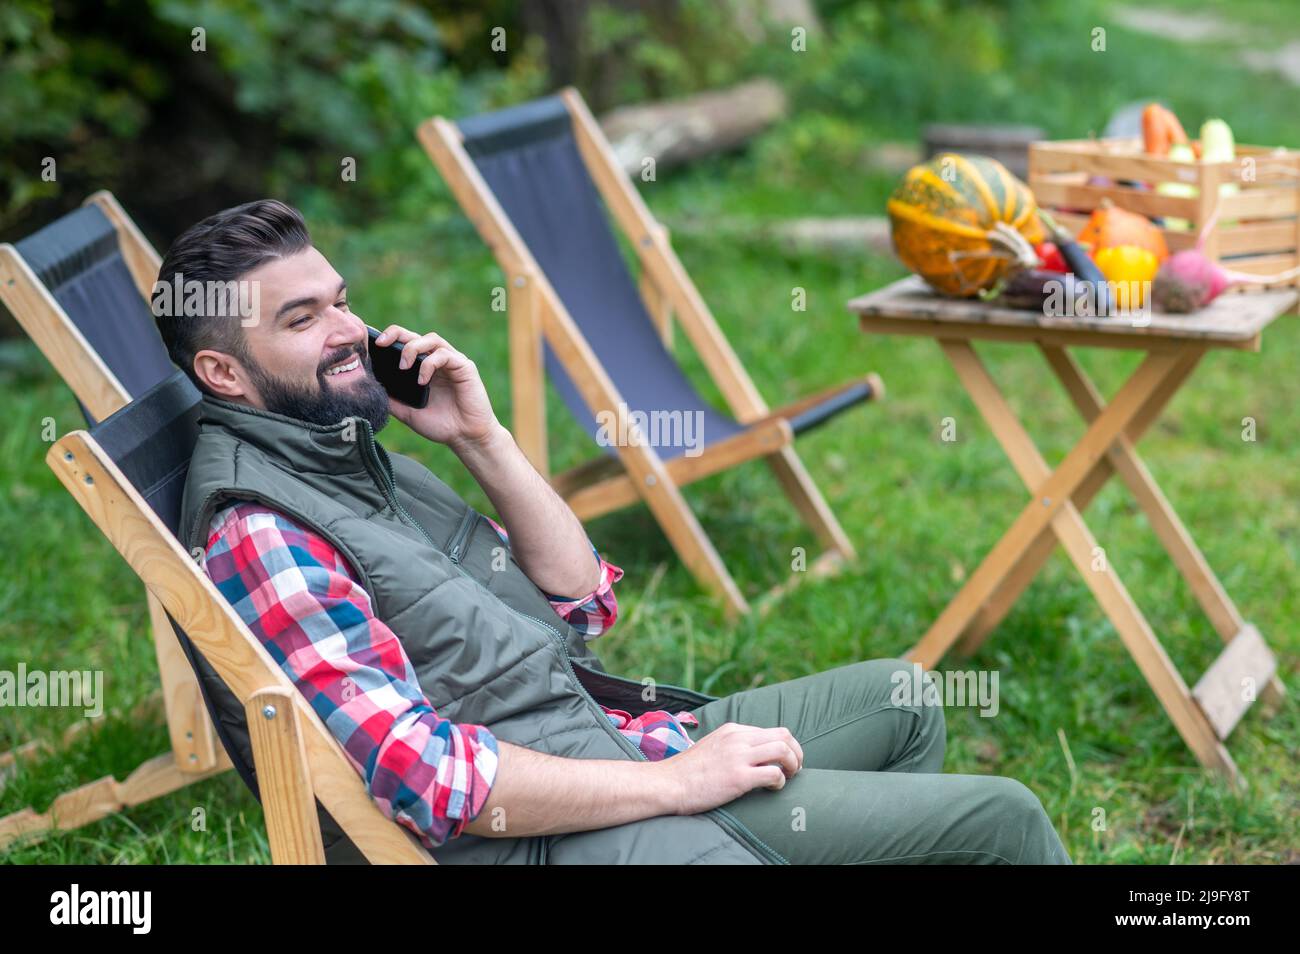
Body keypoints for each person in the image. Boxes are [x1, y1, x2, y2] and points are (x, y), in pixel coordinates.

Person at [157, 198, 1071, 865]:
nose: (349, 331)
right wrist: (677, 783)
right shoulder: (262, 528)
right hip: (547, 834)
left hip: (598, 742)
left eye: (340, 299)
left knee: (904, 702)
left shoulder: (347, 450)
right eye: (302, 318)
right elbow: (430, 779)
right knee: (1004, 818)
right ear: (224, 373)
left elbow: (580, 608)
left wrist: (482, 438)